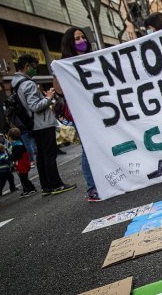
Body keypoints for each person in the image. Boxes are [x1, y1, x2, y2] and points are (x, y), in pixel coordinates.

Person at [12, 55, 76, 196]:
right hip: (42, 123)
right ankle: (56, 184)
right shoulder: (28, 84)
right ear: (26, 66)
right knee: (49, 155)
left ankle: (46, 186)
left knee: (41, 156)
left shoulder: (16, 83)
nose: (35, 70)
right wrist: (48, 97)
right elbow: (35, 106)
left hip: (32, 124)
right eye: (34, 67)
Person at [58, 27, 100, 202]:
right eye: (77, 38)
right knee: (88, 150)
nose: (81, 41)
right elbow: (60, 91)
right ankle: (92, 188)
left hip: (98, 110)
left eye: (83, 37)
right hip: (81, 114)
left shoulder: (93, 59)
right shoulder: (63, 66)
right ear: (69, 42)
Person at [7, 127, 37, 198]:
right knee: (23, 178)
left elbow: (17, 155)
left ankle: (31, 188)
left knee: (23, 178)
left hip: (22, 164)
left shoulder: (17, 146)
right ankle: (26, 189)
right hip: (22, 163)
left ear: (11, 137)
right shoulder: (18, 144)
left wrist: (10, 158)